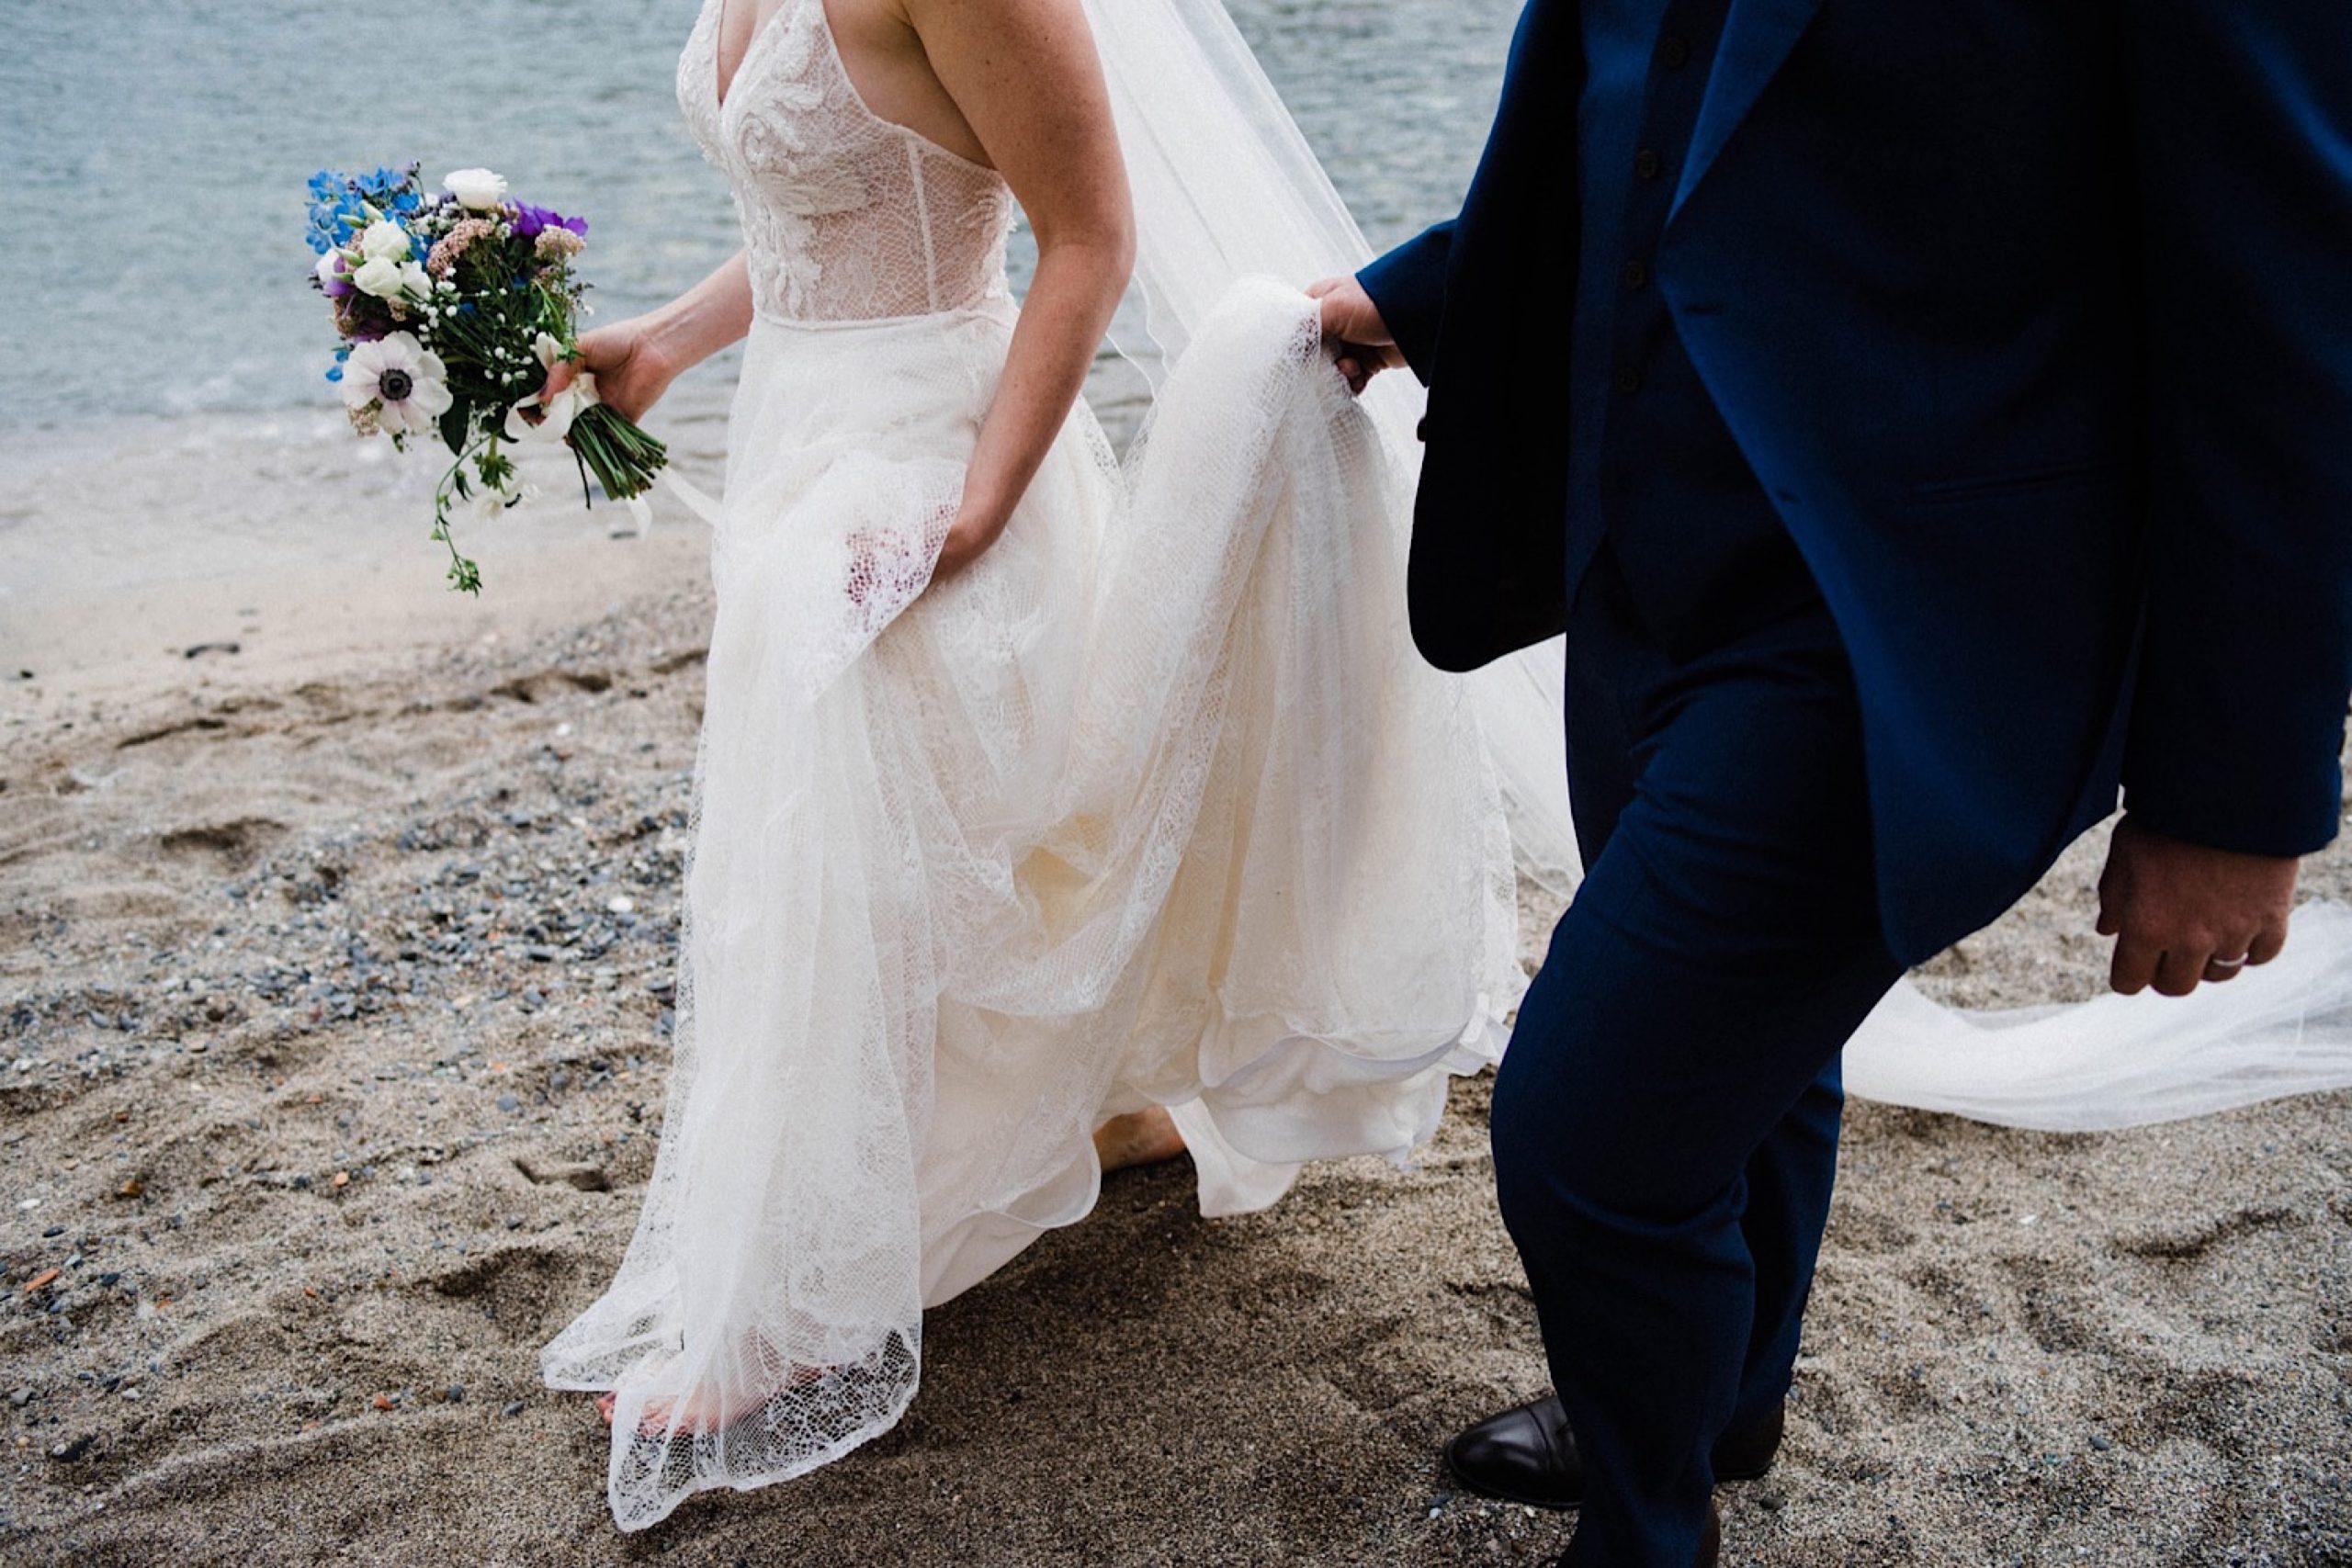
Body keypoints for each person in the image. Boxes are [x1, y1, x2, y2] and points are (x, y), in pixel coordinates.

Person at [1308, 1, 2352, 1562]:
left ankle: (1644, 1533)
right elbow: (1665, 122)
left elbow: (2290, 305)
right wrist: (1413, 295)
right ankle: (1718, 1401)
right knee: (1741, 1054)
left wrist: (2239, 792)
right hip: (1637, 567)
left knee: (1587, 1137)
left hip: (1913, 612)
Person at [533, 0, 1535, 1531]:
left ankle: (799, 1313)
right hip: (804, 440)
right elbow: (835, 208)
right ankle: (1104, 1107)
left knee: (857, 874)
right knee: (901, 850)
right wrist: (665, 341)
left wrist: (975, 509)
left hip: (936, 461)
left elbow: (1088, 235)